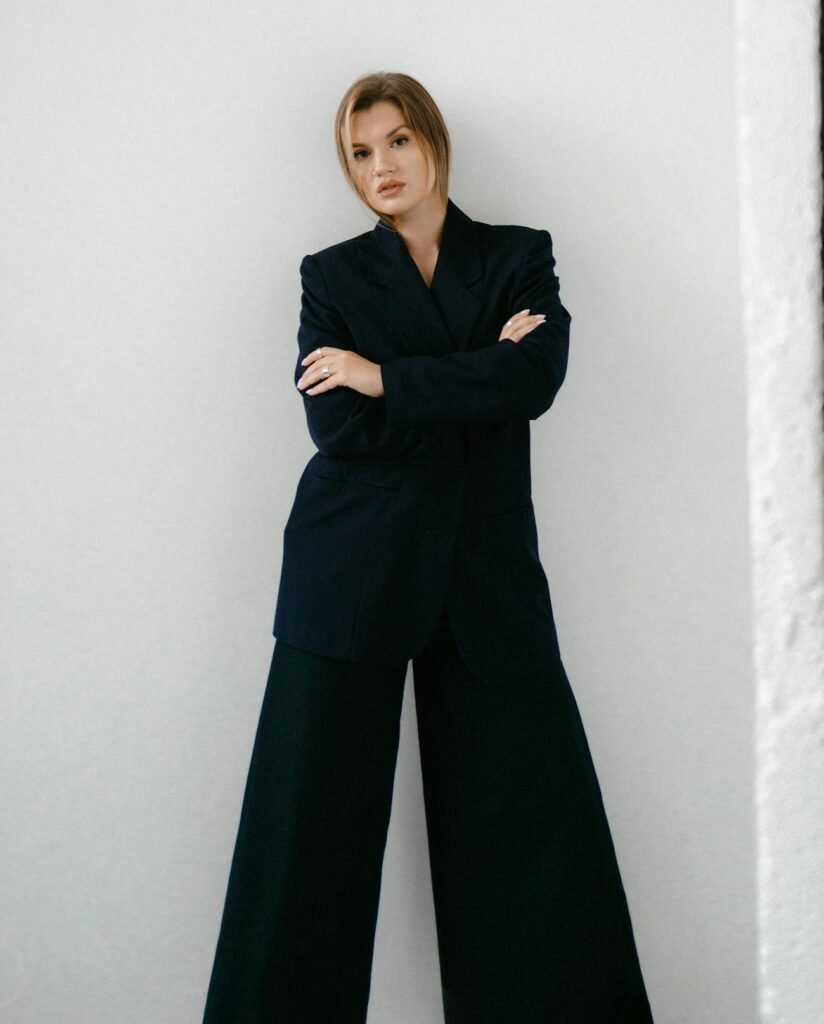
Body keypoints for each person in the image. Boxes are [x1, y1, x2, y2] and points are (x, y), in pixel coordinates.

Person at [201, 70, 655, 1024]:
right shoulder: (329, 275)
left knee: (534, 827)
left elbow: (534, 381)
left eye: (398, 141)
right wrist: (474, 380)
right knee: (304, 837)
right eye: (360, 152)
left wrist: (384, 377)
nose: (382, 166)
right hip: (349, 574)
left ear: (435, 143)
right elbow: (338, 429)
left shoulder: (517, 255)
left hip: (486, 576)